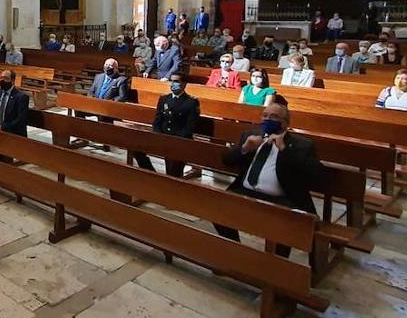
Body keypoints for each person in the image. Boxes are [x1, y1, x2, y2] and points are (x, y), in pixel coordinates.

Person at [213, 95, 320, 256]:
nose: (268, 119)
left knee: (283, 226)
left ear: (286, 122)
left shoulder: (301, 144)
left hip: (283, 200)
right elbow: (227, 160)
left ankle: (277, 264)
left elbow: (314, 174)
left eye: (274, 117)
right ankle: (235, 252)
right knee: (216, 209)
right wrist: (244, 148)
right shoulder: (250, 136)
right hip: (246, 192)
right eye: (265, 116)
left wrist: (285, 150)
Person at [133, 73, 200, 177]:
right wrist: (158, 135)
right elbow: (157, 120)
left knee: (173, 171)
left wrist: (173, 140)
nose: (173, 84)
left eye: (176, 81)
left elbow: (190, 127)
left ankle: (169, 183)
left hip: (180, 140)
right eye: (171, 81)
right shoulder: (164, 98)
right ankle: (153, 176)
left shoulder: (191, 102)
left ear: (184, 84)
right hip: (162, 136)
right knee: (136, 148)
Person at [0, 69, 30, 162]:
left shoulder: (21, 97)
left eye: (6, 78)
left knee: (4, 157)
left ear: (12, 81)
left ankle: (5, 168)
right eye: (1, 78)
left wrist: (2, 127)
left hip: (12, 132)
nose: (2, 80)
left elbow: (21, 120)